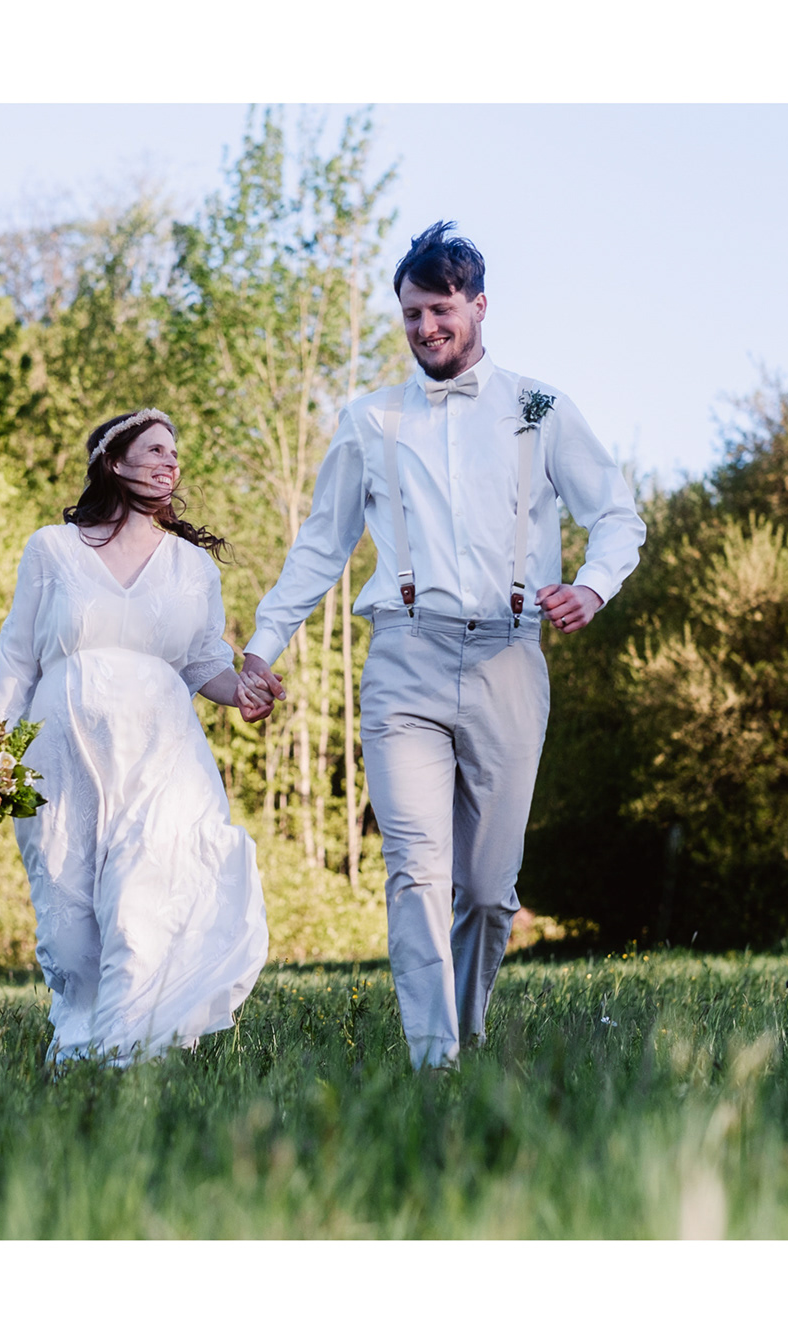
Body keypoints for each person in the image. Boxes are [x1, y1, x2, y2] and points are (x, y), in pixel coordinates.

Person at [240, 222, 647, 1069]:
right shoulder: (371, 419)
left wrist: (593, 585)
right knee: (416, 871)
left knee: (490, 891)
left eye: (440, 310)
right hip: (405, 660)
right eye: (412, 313)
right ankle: (435, 1057)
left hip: (510, 659)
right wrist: (263, 644)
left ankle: (465, 1028)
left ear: (480, 306)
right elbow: (320, 546)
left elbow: (616, 515)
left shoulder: (540, 409)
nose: (425, 327)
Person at [0, 408, 274, 1066]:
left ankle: (126, 1056)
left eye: (174, 452)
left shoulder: (192, 567)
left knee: (143, 904)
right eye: (155, 449)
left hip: (162, 755)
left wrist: (244, 692)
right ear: (113, 462)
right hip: (62, 754)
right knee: (69, 927)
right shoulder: (52, 550)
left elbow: (204, 663)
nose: (171, 462)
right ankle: (80, 1048)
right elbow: (17, 660)